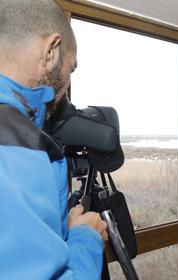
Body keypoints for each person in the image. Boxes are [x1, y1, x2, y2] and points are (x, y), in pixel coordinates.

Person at [0, 0, 107, 279]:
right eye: (71, 68)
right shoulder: (17, 146)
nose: (68, 83)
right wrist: (85, 239)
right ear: (50, 51)